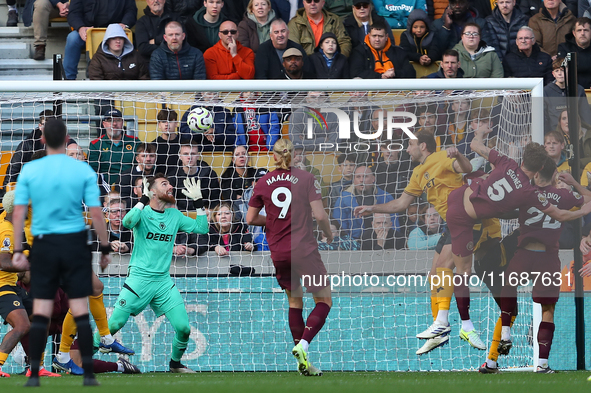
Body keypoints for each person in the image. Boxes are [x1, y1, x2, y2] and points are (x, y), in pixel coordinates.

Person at [445, 123, 591, 358]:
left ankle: (491, 336)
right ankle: (540, 362)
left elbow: (475, 145)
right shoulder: (534, 194)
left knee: (474, 276)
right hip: (544, 256)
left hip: (463, 206)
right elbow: (564, 212)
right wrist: (578, 197)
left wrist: (481, 131)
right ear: (546, 169)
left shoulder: (507, 163)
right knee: (546, 309)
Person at [354, 130, 489, 355]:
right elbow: (400, 204)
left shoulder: (441, 157)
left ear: (423, 146)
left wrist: (457, 156)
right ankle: (441, 328)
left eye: (410, 144)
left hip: (466, 220)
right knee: (434, 274)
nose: (407, 149)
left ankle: (452, 325)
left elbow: (466, 169)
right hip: (451, 225)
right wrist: (372, 208)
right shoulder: (418, 172)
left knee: (446, 270)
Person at [11, 118, 112, 386]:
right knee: (80, 308)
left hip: (44, 243)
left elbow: (19, 211)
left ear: (43, 139)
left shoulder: (30, 170)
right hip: (74, 243)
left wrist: (20, 248)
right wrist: (104, 247)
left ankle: (34, 373)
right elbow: (96, 213)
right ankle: (88, 373)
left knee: (42, 309)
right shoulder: (83, 171)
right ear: (67, 139)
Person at [95, 174, 209, 373]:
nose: (171, 186)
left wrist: (198, 202)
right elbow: (128, 222)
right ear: (153, 191)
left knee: (184, 328)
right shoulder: (143, 212)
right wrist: (143, 199)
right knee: (114, 324)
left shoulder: (174, 215)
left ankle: (175, 364)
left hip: (163, 281)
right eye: (164, 184)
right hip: (139, 278)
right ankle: (75, 355)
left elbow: (202, 228)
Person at [246, 138, 333, 377]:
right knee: (324, 301)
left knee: (295, 302)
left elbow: (250, 219)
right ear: (293, 155)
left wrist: (274, 222)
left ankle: (301, 361)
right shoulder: (306, 179)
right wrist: (329, 233)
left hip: (280, 253)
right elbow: (319, 214)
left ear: (273, 156)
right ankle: (303, 345)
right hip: (304, 250)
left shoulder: (262, 183)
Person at [497, 165, 587, 373]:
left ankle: (506, 333)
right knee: (547, 310)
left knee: (507, 288)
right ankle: (542, 364)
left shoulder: (526, 194)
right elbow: (589, 199)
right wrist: (574, 183)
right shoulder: (564, 195)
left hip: (524, 254)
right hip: (547, 259)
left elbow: (501, 208)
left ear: (536, 174)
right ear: (555, 176)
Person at [63, 0, 137, 80]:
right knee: (72, 38)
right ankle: (68, 79)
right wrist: (80, 27)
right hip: (88, 32)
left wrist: (124, 24)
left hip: (115, 32)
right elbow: (74, 13)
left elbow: (131, 11)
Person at [0, 191, 31, 378]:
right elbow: (3, 263)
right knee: (21, 325)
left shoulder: (9, 223)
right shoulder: (7, 231)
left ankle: (36, 366)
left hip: (13, 286)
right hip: (3, 287)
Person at [334, 165, 397, 239]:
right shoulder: (343, 199)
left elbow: (395, 225)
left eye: (365, 177)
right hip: (354, 244)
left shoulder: (386, 198)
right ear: (353, 180)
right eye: (358, 177)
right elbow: (340, 227)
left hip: (383, 241)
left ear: (373, 179)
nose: (361, 180)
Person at [88, 108, 138, 186]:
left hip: (132, 187)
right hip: (106, 189)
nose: (114, 124)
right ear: (104, 124)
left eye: (117, 120)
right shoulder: (96, 145)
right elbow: (93, 172)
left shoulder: (135, 142)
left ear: (122, 123)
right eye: (110, 120)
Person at [4, 109, 54, 188]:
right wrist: (6, 194)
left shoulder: (64, 144)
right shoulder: (27, 145)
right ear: (40, 126)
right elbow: (13, 171)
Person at [349, 21, 416, 79]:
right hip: (369, 90)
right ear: (369, 36)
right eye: (374, 36)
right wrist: (381, 76)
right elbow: (355, 73)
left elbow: (411, 72)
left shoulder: (398, 52)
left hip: (395, 90)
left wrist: (395, 74)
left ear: (386, 37)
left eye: (380, 36)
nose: (377, 39)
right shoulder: (359, 51)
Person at [166, 142, 221, 210]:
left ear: (198, 156)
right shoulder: (172, 177)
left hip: (205, 214)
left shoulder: (209, 174)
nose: (189, 157)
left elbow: (215, 199)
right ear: (180, 156)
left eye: (193, 154)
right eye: (185, 154)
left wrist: (210, 211)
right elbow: (170, 201)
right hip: (181, 215)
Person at [287, 0, 352, 57]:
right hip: (306, 66)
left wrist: (339, 61)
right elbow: (293, 49)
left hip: (332, 64)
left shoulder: (334, 20)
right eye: (309, 1)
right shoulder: (294, 23)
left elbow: (344, 42)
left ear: (323, 3)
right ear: (304, 3)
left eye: (316, 0)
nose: (312, 3)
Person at [543, 57, 591, 132]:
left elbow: (585, 115)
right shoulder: (546, 91)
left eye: (562, 70)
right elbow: (544, 118)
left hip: (576, 133)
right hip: (554, 135)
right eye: (556, 71)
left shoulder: (579, 90)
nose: (559, 73)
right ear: (553, 74)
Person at [118, 142, 158, 208]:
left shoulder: (157, 175)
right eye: (144, 156)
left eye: (151, 156)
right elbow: (122, 201)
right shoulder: (126, 176)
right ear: (137, 159)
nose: (148, 159)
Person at [152, 108, 190, 174]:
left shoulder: (185, 143)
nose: (167, 124)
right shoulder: (153, 145)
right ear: (159, 125)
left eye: (170, 121)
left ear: (176, 124)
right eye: (163, 121)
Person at [557, 17, 591, 89]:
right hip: (571, 90)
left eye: (586, 30)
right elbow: (562, 72)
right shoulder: (564, 48)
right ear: (574, 33)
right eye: (579, 30)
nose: (582, 33)